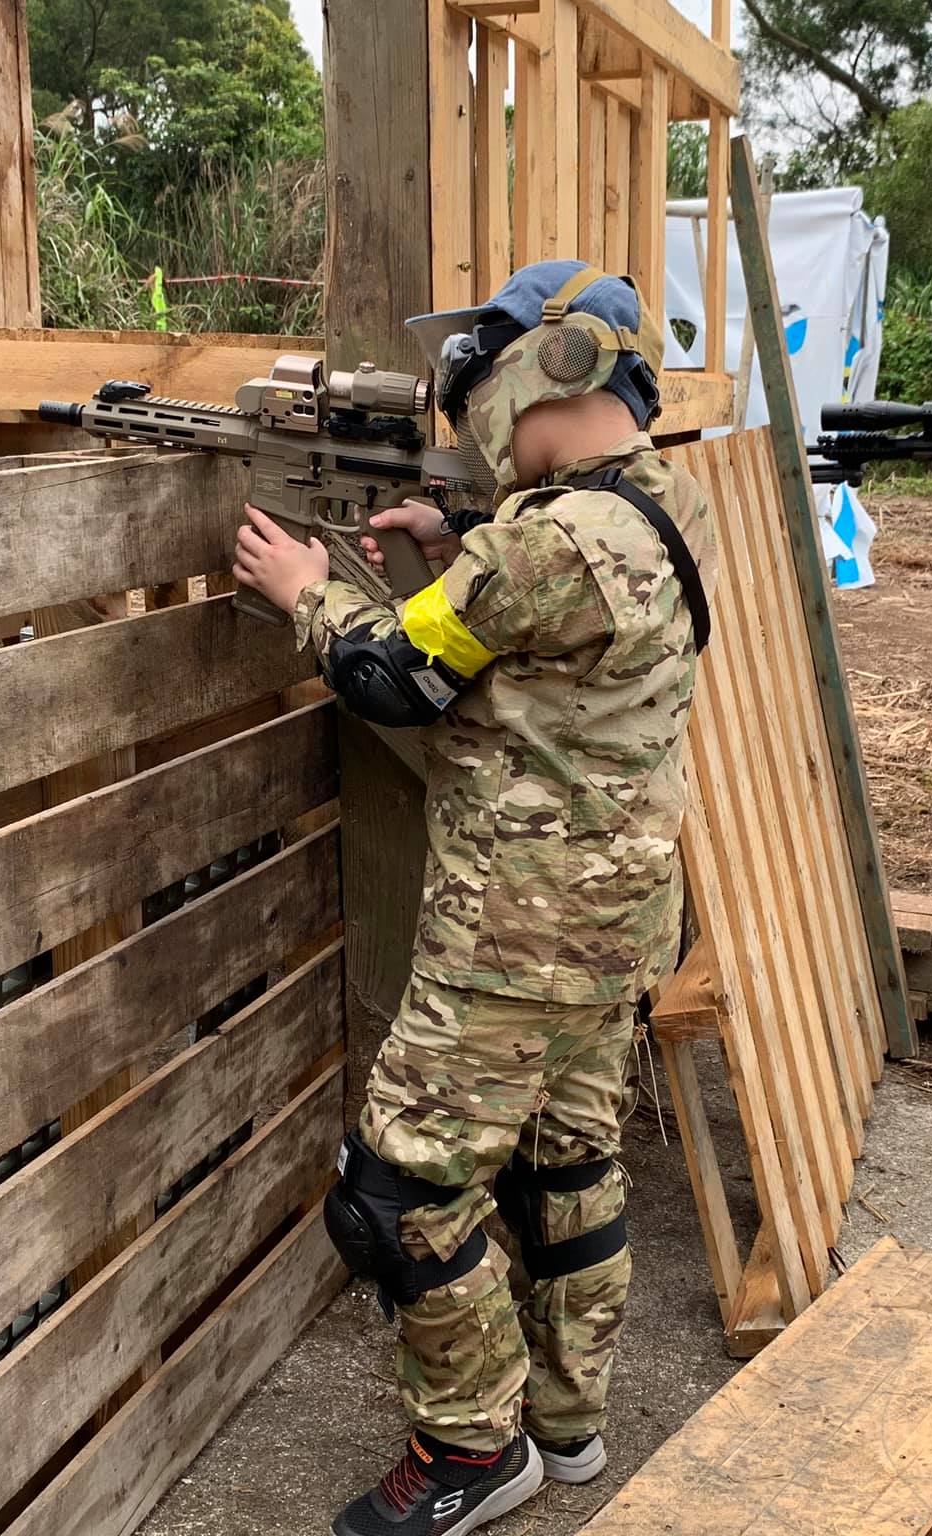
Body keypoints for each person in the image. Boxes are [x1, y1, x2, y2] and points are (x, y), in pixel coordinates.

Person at [231, 260, 715, 1536]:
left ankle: (468, 1451)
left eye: (477, 372)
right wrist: (457, 547)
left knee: (392, 1198)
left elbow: (391, 676)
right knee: (567, 1167)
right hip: (616, 918)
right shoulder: (663, 500)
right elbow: (555, 637)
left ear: (549, 367)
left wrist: (303, 591)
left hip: (514, 930)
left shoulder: (545, 543)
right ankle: (565, 1424)